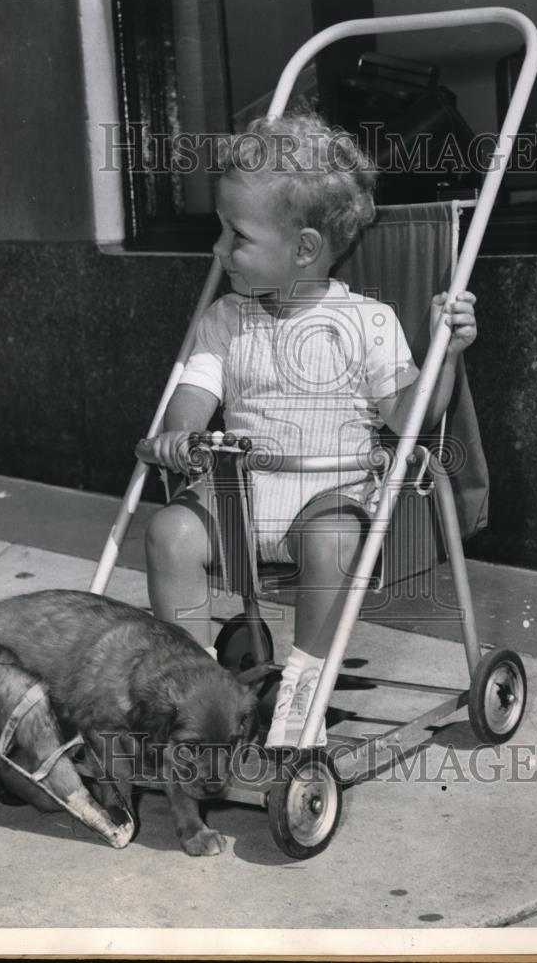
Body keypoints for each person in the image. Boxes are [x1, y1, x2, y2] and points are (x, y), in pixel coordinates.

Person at [139, 113, 477, 746]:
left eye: (235, 235)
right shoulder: (224, 320)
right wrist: (178, 435)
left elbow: (410, 419)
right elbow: (192, 395)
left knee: (331, 541)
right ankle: (190, 678)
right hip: (239, 499)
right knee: (169, 532)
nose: (218, 250)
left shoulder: (368, 321)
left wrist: (445, 353)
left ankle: (304, 679)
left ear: (303, 249)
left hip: (330, 496)